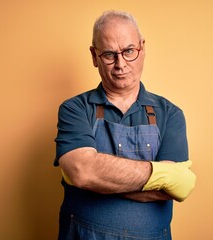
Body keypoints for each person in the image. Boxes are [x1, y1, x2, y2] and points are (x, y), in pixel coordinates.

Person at [54, 10, 196, 240]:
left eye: (129, 51)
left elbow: (176, 188)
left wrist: (96, 179)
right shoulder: (75, 109)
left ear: (142, 49)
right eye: (109, 54)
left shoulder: (171, 114)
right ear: (94, 56)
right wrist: (164, 174)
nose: (121, 64)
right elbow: (82, 171)